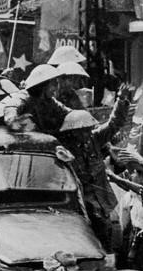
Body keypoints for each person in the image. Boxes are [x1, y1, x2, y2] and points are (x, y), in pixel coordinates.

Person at [55, 92, 130, 250]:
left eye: (88, 129)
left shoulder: (95, 139)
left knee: (110, 233)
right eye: (82, 131)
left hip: (102, 200)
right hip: (81, 203)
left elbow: (114, 124)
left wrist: (121, 101)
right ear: (72, 132)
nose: (86, 133)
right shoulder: (64, 149)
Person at [3, 64, 70, 135]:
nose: (56, 88)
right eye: (54, 84)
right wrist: (23, 125)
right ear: (44, 85)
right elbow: (10, 113)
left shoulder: (49, 100)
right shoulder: (24, 96)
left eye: (57, 84)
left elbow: (66, 111)